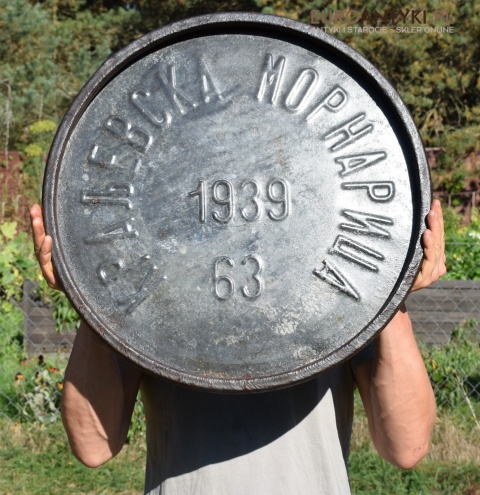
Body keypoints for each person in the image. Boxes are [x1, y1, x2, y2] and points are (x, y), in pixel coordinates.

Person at [30, 199, 446, 495]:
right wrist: (92, 291)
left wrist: (392, 284)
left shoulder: (336, 293)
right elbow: (93, 445)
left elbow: (406, 446)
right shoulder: (155, 294)